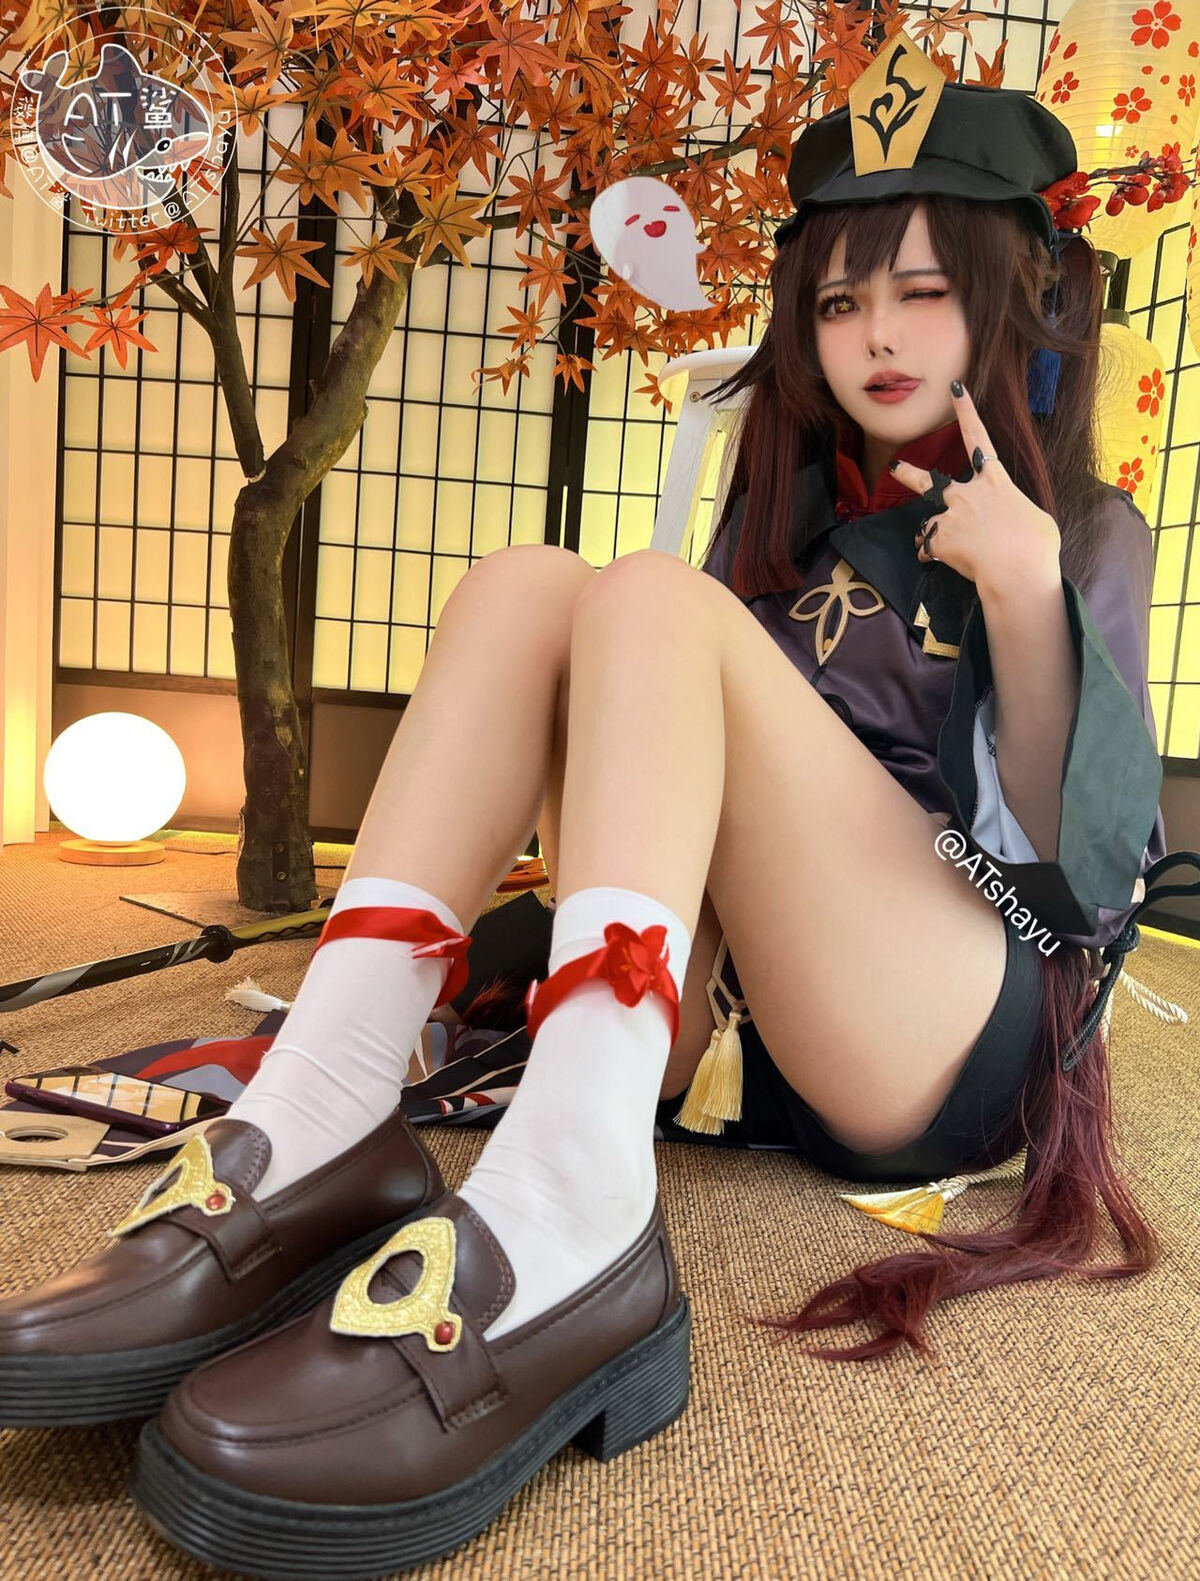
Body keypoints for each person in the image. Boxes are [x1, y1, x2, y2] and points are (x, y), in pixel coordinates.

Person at [0, 32, 1178, 1578]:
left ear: (1015, 296)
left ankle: (575, 1210)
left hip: (957, 1021)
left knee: (652, 600)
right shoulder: (799, 520)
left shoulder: (1086, 528)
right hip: (759, 1010)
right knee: (529, 582)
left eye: (923, 290)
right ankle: (322, 1109)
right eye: (839, 302)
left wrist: (1025, 597)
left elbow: (1085, 882)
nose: (877, 335)